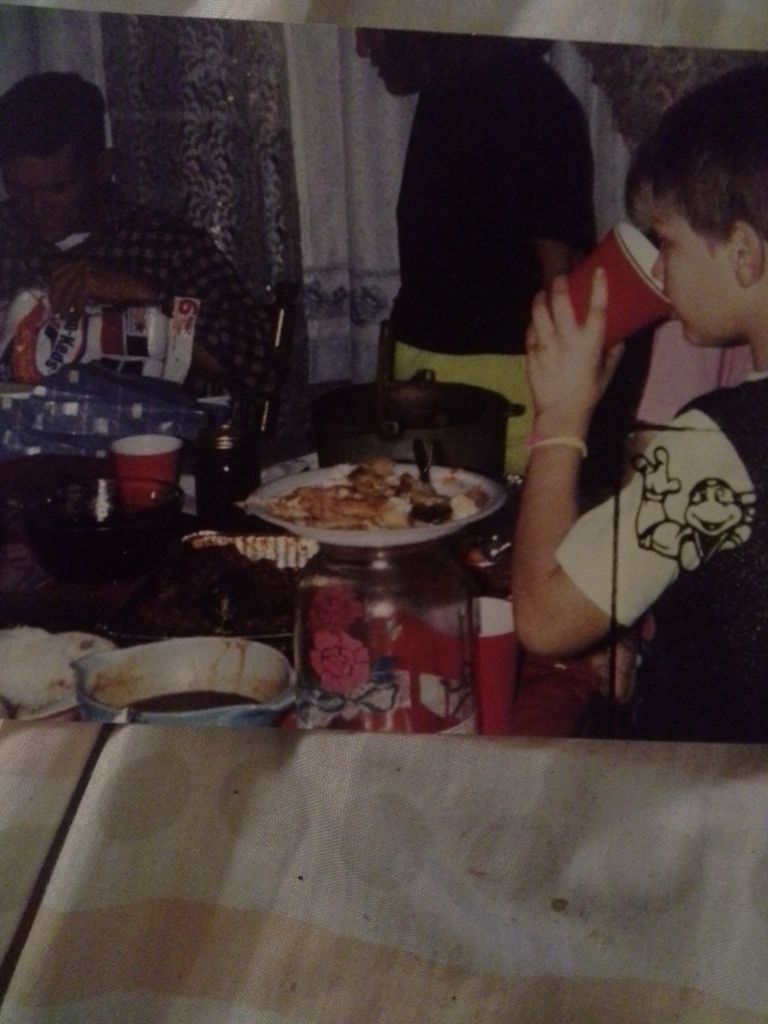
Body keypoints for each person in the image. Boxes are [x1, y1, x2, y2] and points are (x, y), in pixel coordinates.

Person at [512, 65, 768, 743]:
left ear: (743, 254)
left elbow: (544, 620)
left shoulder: (717, 445)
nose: (657, 270)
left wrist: (559, 421)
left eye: (669, 243)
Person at [356, 29, 596, 474]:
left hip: (501, 382)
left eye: (369, 27)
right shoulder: (446, 94)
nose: (361, 48)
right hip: (432, 370)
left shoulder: (529, 96)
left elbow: (559, 265)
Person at [0, 72, 273, 398]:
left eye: (57, 190)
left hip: (146, 426)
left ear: (102, 169)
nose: (36, 208)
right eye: (18, 189)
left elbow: (254, 371)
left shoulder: (167, 246)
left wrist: (148, 294)